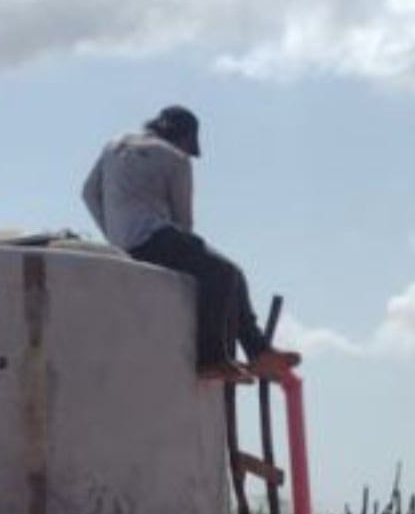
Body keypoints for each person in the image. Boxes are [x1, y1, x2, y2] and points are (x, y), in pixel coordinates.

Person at [80, 105, 295, 374]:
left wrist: (114, 236)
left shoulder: (114, 146)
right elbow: (184, 220)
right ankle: (213, 358)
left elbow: (89, 194)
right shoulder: (175, 158)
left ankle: (257, 350)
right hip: (155, 236)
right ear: (185, 137)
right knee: (223, 273)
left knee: (230, 272)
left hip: (125, 241)